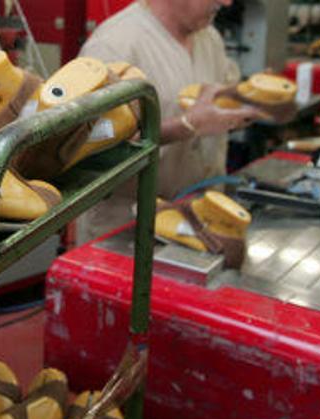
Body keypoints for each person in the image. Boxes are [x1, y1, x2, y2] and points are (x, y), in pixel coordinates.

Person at [76, 0, 265, 244]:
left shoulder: (210, 38)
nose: (227, 2)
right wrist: (185, 126)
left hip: (199, 220)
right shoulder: (114, 46)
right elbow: (91, 146)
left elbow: (224, 98)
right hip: (127, 230)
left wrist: (241, 108)